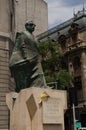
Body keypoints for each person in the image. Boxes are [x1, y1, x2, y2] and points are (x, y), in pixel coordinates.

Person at [9, 20, 47, 92]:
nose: (33, 27)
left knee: (39, 71)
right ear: (26, 26)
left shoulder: (34, 37)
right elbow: (22, 46)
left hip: (34, 58)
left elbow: (37, 48)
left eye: (34, 25)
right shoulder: (22, 34)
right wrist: (26, 57)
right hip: (25, 59)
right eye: (31, 25)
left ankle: (41, 85)